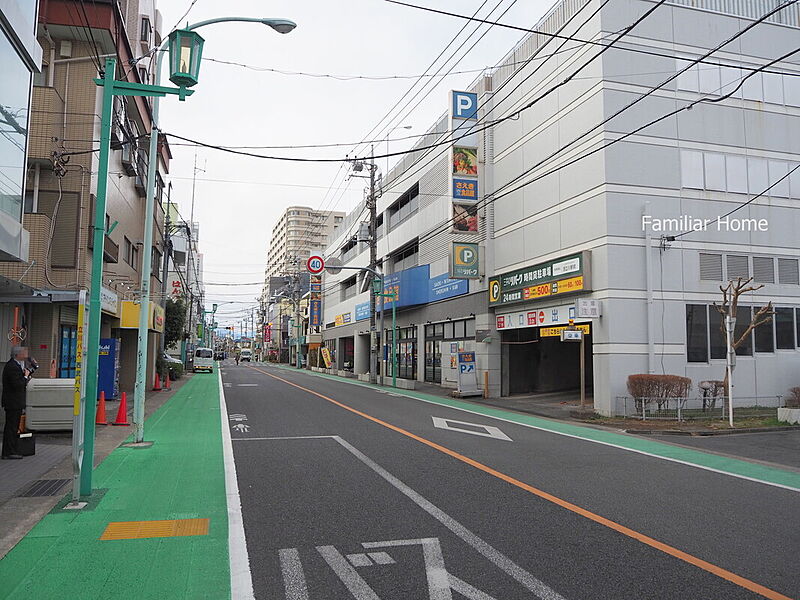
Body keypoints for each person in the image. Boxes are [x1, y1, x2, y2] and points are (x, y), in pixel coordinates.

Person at [2, 346, 33, 460]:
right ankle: (8, 452)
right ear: (17, 354)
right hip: (12, 402)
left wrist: (26, 376)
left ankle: (11, 450)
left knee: (13, 427)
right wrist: (25, 376)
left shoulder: (16, 365)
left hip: (14, 402)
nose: (26, 354)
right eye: (24, 352)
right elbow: (17, 384)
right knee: (11, 427)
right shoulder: (12, 367)